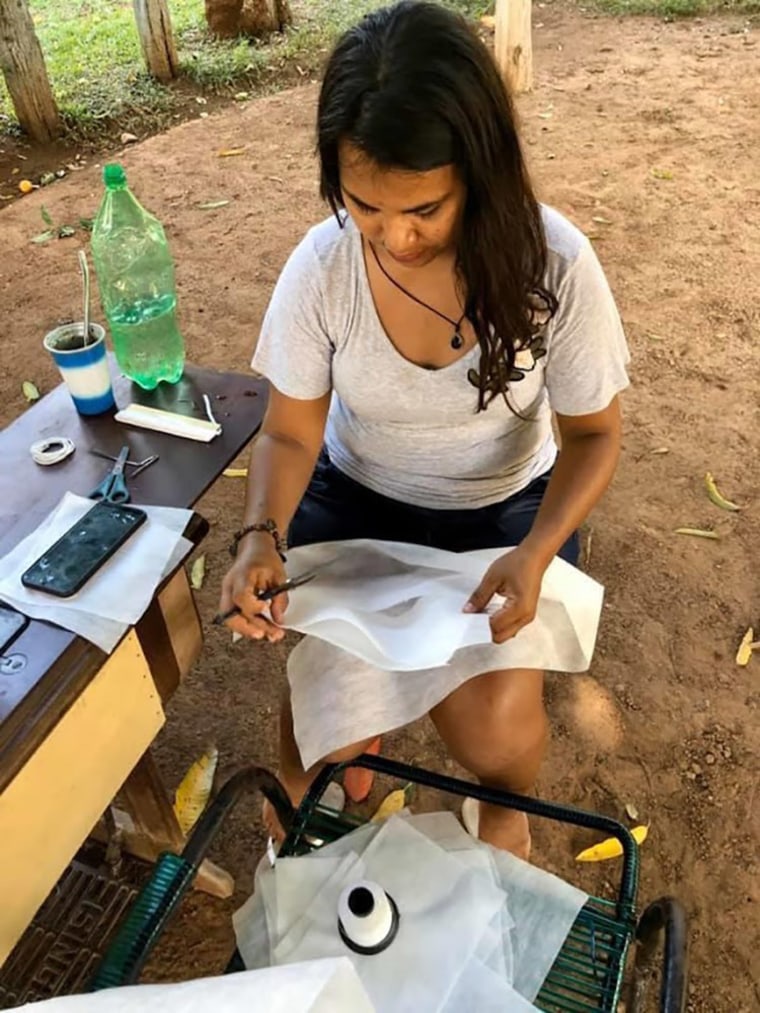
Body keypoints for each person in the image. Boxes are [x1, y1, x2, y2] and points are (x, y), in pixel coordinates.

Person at [219, 0, 629, 858]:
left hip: (505, 511)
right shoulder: (324, 266)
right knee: (311, 744)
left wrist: (538, 551)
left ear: (480, 171)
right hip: (361, 493)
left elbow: (594, 435)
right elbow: (291, 436)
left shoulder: (554, 266)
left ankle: (503, 797)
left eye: (425, 210)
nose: (393, 236)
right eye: (365, 205)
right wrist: (260, 534)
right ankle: (350, 746)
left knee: (497, 733)